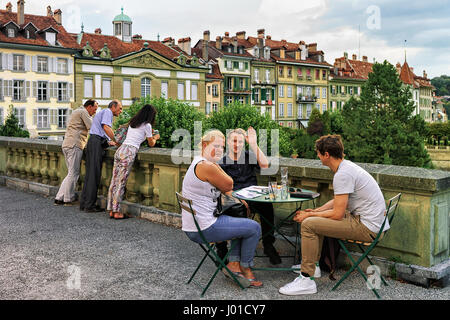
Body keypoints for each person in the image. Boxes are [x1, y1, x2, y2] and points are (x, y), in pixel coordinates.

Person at [279, 134, 388, 295]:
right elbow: (338, 202)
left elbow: (337, 213)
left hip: (367, 228)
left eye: (318, 153)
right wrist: (315, 211)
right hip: (373, 224)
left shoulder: (342, 175)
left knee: (309, 224)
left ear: (326, 155)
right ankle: (313, 267)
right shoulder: (347, 167)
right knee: (314, 220)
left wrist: (308, 217)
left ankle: (306, 279)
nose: (317, 156)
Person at [181, 130, 263, 288]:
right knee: (254, 228)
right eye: (216, 146)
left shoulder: (199, 161)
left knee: (240, 222)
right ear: (205, 145)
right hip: (204, 227)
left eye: (222, 147)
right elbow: (229, 184)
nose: (220, 150)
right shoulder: (206, 166)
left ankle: (233, 264)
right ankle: (245, 267)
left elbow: (225, 187)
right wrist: (216, 164)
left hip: (195, 224)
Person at [218, 127, 282, 265]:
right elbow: (220, 188)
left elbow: (265, 165)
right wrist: (236, 198)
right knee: (238, 209)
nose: (237, 144)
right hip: (232, 200)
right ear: (228, 142)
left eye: (240, 142)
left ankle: (268, 245)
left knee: (267, 204)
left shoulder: (248, 156)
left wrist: (253, 144)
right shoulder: (222, 161)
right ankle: (224, 250)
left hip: (252, 197)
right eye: (234, 141)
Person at [106, 104, 160, 219]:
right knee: (121, 182)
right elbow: (151, 144)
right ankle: (117, 212)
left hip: (121, 150)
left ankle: (111, 209)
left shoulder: (133, 123)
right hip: (129, 152)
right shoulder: (147, 125)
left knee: (114, 181)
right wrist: (155, 137)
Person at [79, 100, 123, 213]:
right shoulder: (108, 112)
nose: (121, 111)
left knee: (90, 175)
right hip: (96, 143)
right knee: (94, 175)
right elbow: (106, 128)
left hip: (93, 142)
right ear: (113, 107)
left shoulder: (103, 112)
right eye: (120, 108)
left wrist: (108, 142)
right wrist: (117, 141)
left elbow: (100, 131)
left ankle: (84, 204)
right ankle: (89, 206)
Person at [54, 100, 98, 206]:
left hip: (67, 144)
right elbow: (92, 127)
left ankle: (59, 197)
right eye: (95, 109)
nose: (95, 112)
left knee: (70, 173)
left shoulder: (76, 111)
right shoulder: (83, 112)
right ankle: (68, 199)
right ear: (89, 107)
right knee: (74, 173)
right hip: (75, 144)